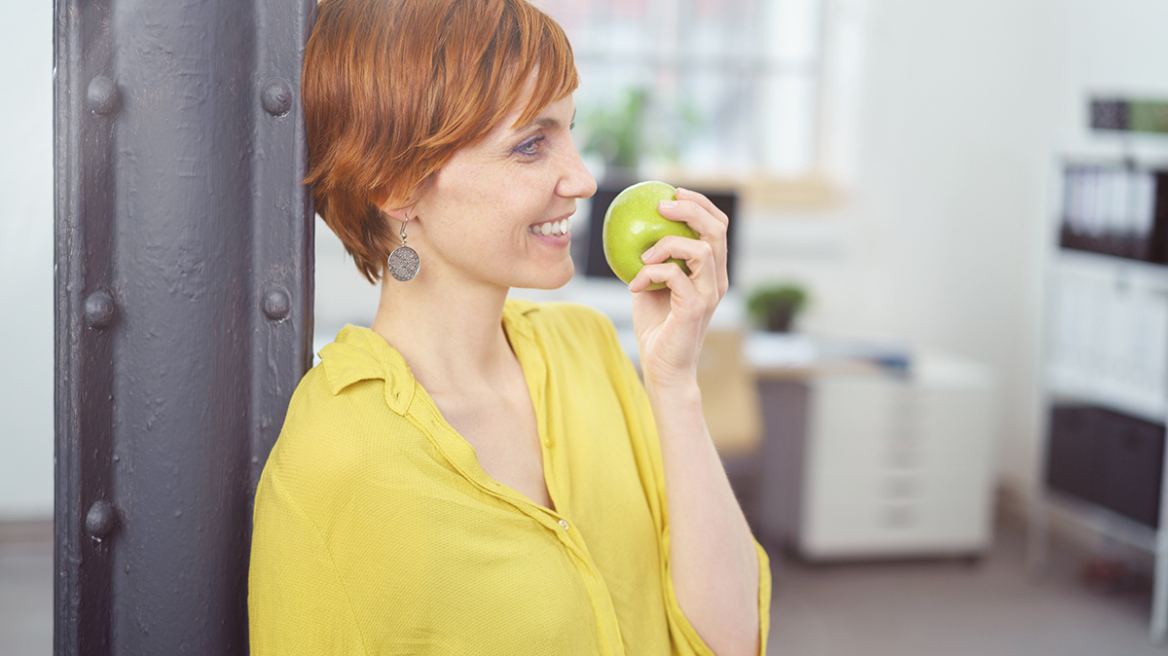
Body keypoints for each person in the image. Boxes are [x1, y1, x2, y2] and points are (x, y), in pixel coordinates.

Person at [247, 0, 771, 654]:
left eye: (570, 129)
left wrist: (674, 383)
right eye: (531, 144)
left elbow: (731, 642)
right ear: (396, 183)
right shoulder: (336, 458)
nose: (581, 178)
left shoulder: (588, 351)